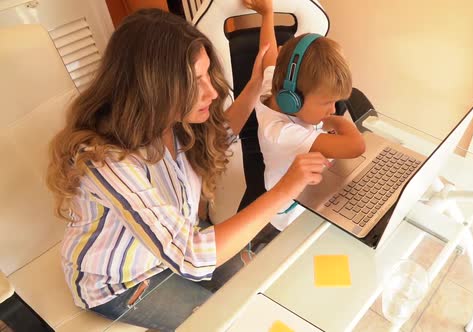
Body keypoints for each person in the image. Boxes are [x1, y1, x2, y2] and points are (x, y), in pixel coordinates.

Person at [46, 8, 328, 331]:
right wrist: (282, 192)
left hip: (172, 244)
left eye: (208, 74)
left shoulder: (167, 120)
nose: (212, 91)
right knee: (228, 320)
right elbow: (193, 257)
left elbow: (220, 137)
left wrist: (251, 89)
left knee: (259, 276)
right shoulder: (108, 161)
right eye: (196, 81)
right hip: (121, 281)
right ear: (155, 88)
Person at [244, 0, 366, 232]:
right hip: (293, 213)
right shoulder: (281, 133)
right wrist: (334, 121)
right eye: (327, 103)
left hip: (312, 186)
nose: (332, 109)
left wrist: (267, 14)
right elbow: (356, 146)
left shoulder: (275, 90)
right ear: (293, 98)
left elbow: (270, 55)